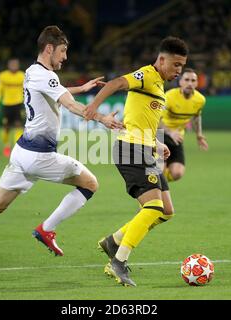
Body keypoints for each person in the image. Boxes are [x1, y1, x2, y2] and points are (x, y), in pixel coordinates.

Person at [0, 25, 123, 274]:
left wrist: (81, 88)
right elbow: (71, 105)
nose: (65, 57)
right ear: (49, 48)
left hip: (22, 152)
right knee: (90, 184)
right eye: (63, 51)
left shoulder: (32, 71)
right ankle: (47, 229)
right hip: (40, 156)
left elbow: (53, 91)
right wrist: (102, 118)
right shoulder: (48, 76)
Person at [84, 36, 189, 287]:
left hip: (145, 149)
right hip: (130, 151)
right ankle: (118, 261)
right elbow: (118, 83)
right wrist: (93, 107)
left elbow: (140, 119)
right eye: (175, 65)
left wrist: (156, 143)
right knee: (152, 207)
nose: (179, 71)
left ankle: (114, 241)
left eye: (182, 66)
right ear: (161, 60)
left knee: (166, 212)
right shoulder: (146, 75)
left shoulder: (159, 85)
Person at [161, 68, 208, 182]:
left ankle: (159, 181)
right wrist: (170, 132)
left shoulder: (200, 100)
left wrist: (199, 135)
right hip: (161, 135)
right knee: (158, 171)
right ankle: (157, 185)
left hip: (177, 137)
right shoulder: (169, 96)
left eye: (193, 80)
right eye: (186, 80)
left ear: (197, 83)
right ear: (180, 82)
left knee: (177, 173)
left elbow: (196, 117)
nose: (190, 83)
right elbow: (157, 119)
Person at [0, 58, 25, 157]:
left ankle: (17, 148)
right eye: (12, 64)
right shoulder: (2, 76)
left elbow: (27, 91)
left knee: (18, 125)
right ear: (8, 65)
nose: (14, 66)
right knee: (6, 127)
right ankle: (6, 145)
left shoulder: (22, 76)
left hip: (19, 104)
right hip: (7, 104)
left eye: (16, 64)